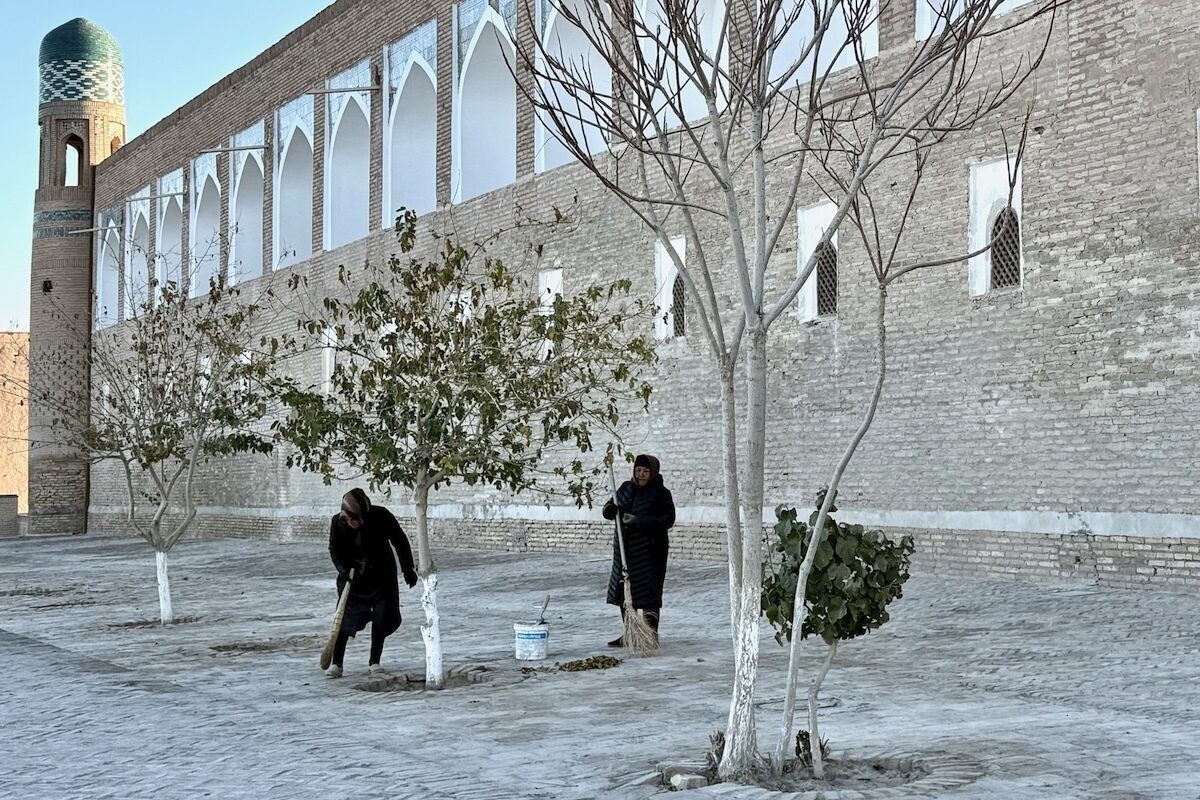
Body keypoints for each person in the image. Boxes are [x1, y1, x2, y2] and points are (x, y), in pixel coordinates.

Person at [325, 488, 418, 678]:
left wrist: (408, 568)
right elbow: (334, 550)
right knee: (344, 619)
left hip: (381, 575)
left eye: (358, 520)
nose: (355, 524)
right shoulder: (338, 522)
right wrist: (345, 570)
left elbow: (399, 540)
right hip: (353, 579)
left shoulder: (381, 516)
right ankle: (336, 663)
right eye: (351, 520)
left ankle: (375, 661)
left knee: (381, 617)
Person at [603, 454, 676, 647]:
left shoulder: (661, 494)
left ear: (653, 472)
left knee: (649, 594)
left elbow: (667, 519)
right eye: (638, 470)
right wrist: (609, 510)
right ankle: (631, 633)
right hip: (625, 551)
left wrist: (639, 521)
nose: (641, 474)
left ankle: (650, 635)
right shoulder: (626, 488)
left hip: (650, 553)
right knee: (624, 592)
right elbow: (611, 504)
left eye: (645, 471)